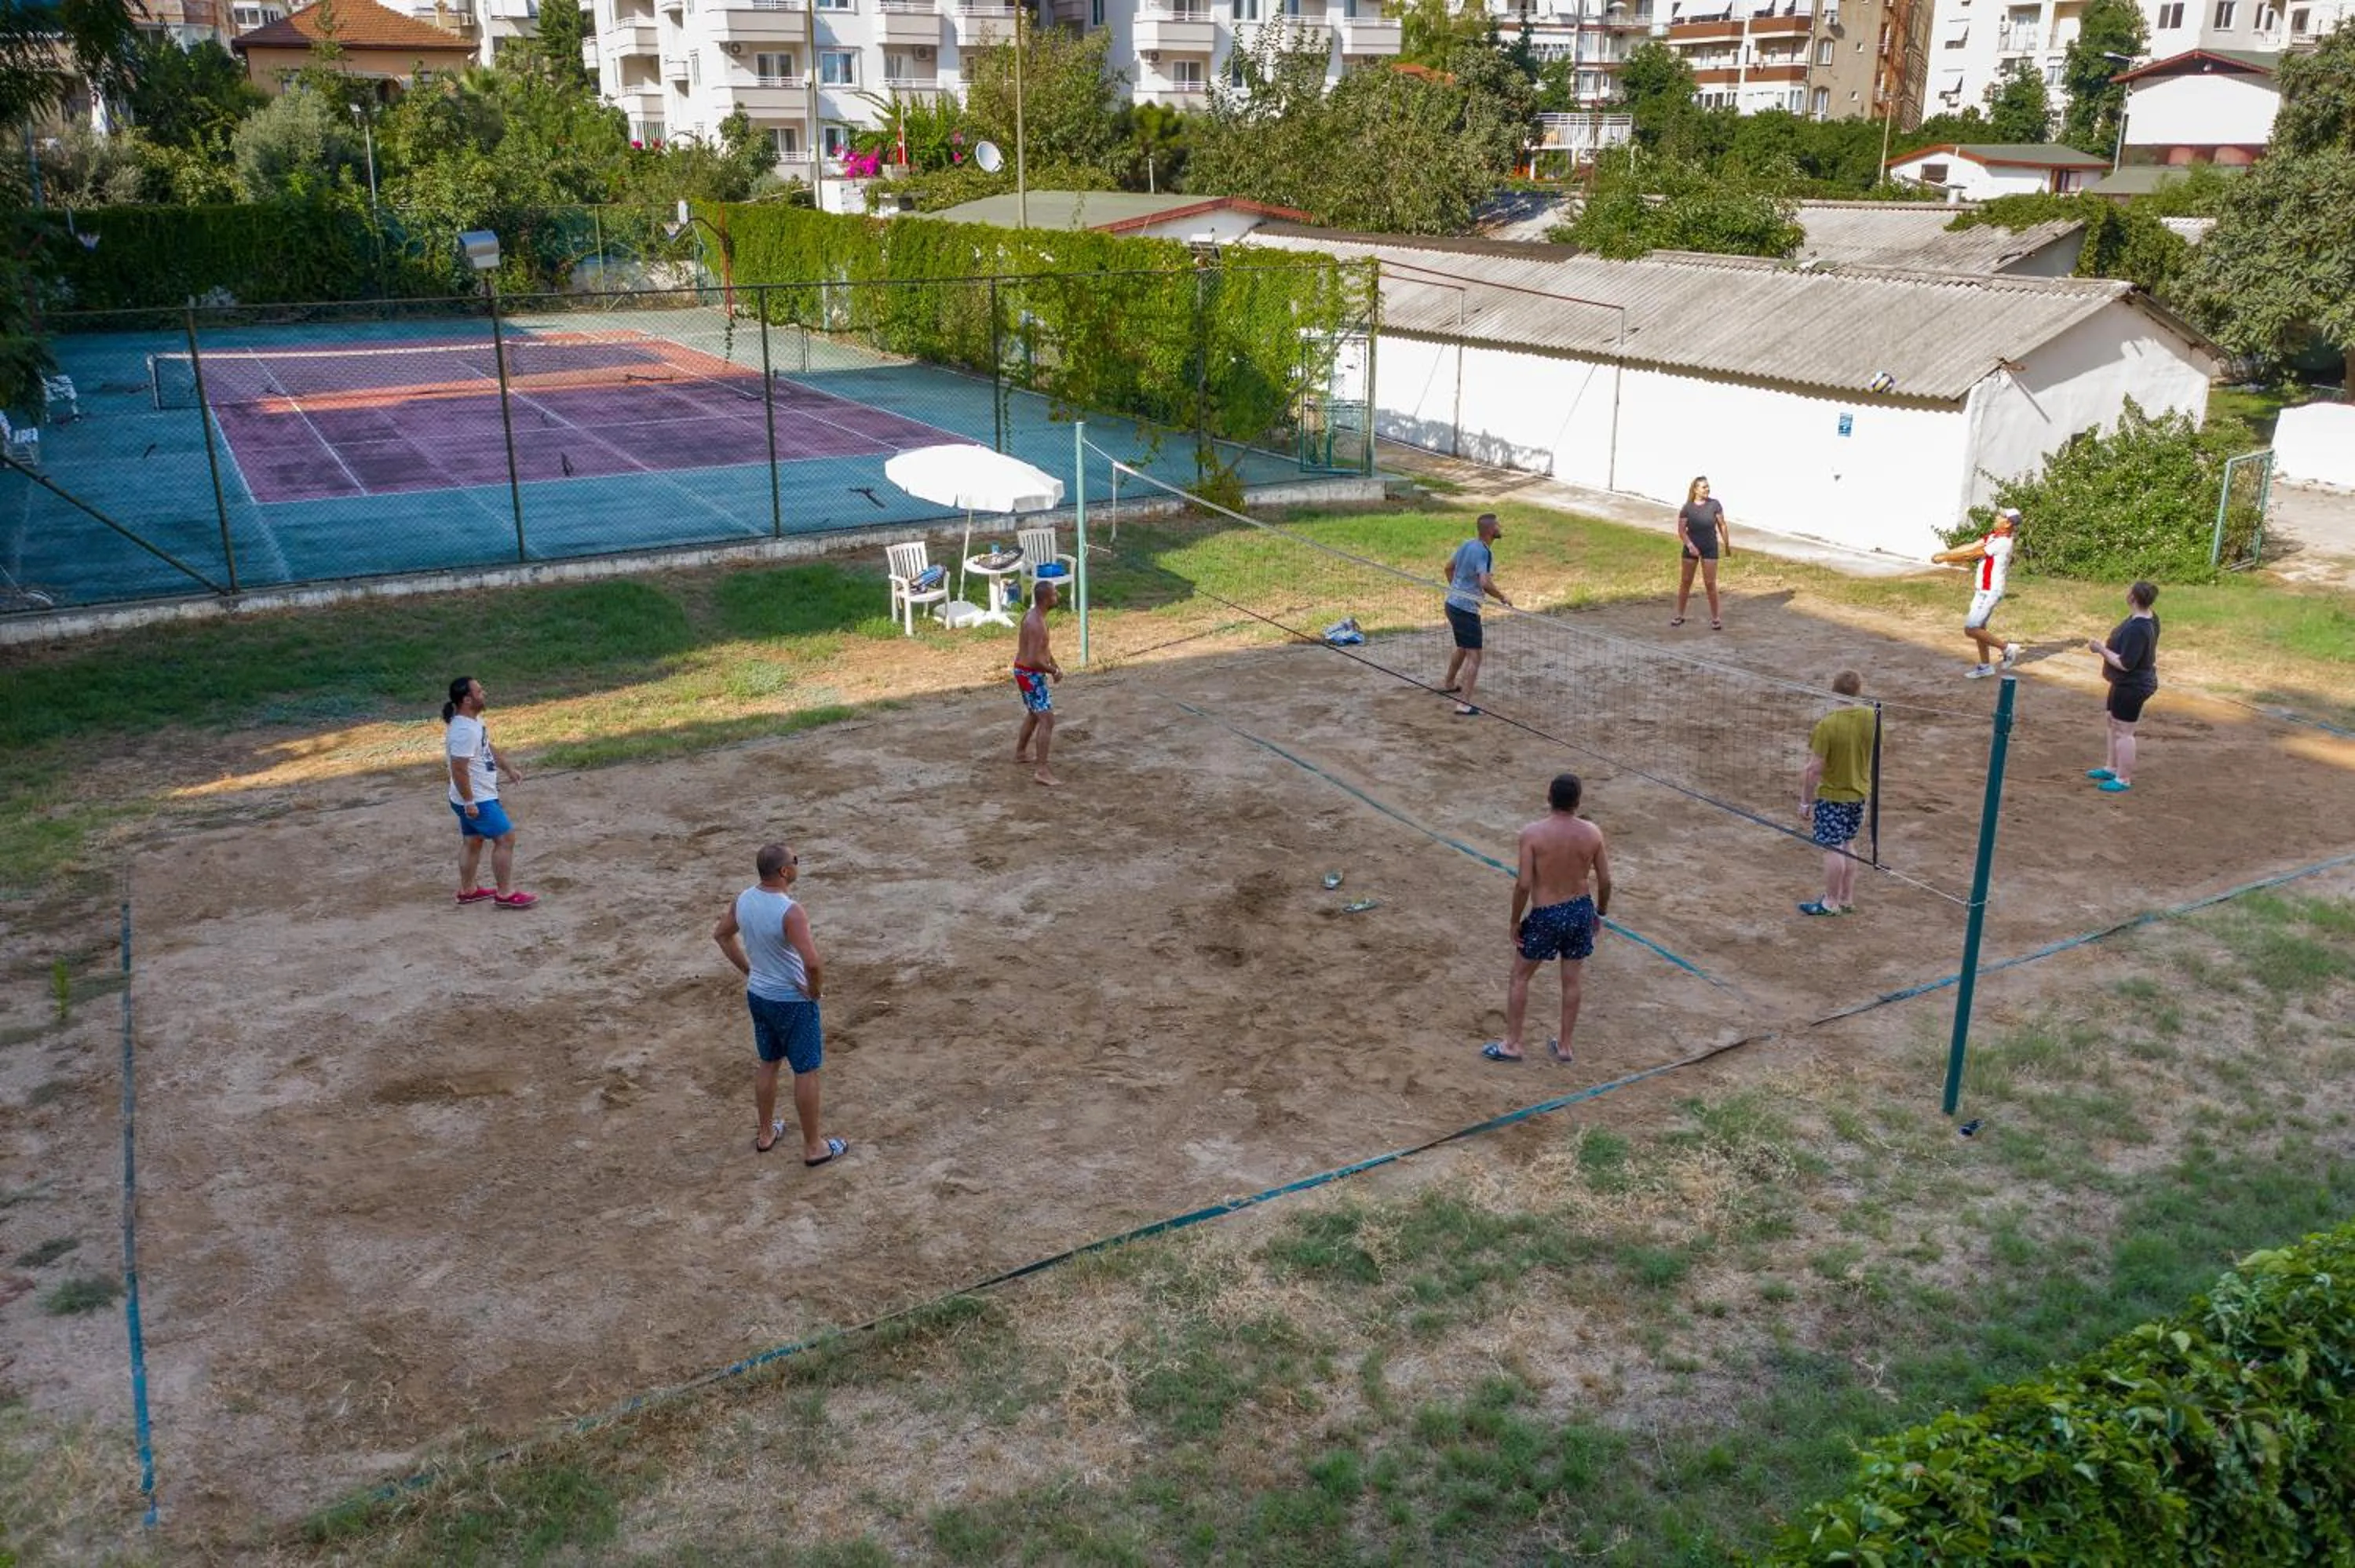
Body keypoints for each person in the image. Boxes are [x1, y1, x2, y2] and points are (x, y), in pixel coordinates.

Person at [713, 841, 846, 1165]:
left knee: (769, 1062)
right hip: (791, 1001)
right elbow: (812, 963)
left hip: (759, 995)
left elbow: (722, 935)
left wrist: (749, 971)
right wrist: (814, 991)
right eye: (795, 860)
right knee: (806, 1070)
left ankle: (765, 1133)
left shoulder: (744, 899)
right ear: (785, 871)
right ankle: (814, 1147)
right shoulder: (790, 911)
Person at [1484, 773, 1612, 1066]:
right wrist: (1600, 913)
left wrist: (1515, 920)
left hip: (1547, 913)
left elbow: (1524, 885)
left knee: (1520, 976)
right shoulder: (1592, 834)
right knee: (1572, 980)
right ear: (1578, 801)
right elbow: (1605, 881)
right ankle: (1565, 1046)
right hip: (1580, 909)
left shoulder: (1532, 834)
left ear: (1549, 797)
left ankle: (1513, 1044)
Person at [442, 675, 536, 910]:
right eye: (479, 692)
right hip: (477, 798)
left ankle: (468, 891)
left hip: (472, 796)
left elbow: (486, 745)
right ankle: (505, 894)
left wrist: (507, 768)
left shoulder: (473, 721)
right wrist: (470, 801)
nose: (484, 694)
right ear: (467, 700)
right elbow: (459, 769)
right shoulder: (464, 731)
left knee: (473, 841)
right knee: (506, 839)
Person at [1798, 671, 1875, 917]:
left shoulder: (1828, 725)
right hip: (1859, 793)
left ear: (1834, 692)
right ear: (1859, 691)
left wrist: (1805, 802)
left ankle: (1830, 902)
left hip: (1833, 797)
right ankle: (1846, 899)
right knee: (1848, 843)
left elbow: (1813, 770)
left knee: (1833, 847)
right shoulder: (1871, 717)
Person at [1930, 508, 2024, 679]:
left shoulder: (2003, 542)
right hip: (1983, 590)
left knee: (1971, 629)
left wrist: (1945, 558)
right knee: (1980, 629)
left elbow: (1971, 554)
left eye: (2000, 516)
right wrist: (1947, 553)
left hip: (1991, 591)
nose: (1996, 517)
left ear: (2007, 523)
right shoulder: (1994, 536)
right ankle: (1985, 666)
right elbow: (1972, 546)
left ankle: (2007, 648)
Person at [2086, 581, 2160, 794]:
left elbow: (2125, 664)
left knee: (2124, 731)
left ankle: (2123, 778)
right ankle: (2111, 768)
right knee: (2112, 721)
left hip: (2132, 685)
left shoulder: (2138, 629)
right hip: (2123, 683)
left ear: (2133, 598)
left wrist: (2101, 649)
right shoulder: (2149, 618)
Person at [1440, 512, 1513, 717]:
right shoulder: (1484, 553)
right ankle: (1464, 704)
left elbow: (1448, 568)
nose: (1500, 527)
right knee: (1475, 656)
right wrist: (1502, 597)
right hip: (1465, 610)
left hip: (1451, 604)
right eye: (1498, 525)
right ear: (1490, 530)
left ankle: (1449, 683)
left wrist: (1457, 590)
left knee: (1463, 647)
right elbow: (1485, 583)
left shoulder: (1467, 544)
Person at [1013, 579, 1064, 788]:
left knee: (1034, 714)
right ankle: (1042, 771)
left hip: (1026, 672)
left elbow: (1043, 649)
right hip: (1030, 674)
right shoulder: (1036, 624)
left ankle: (1020, 753)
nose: (1058, 596)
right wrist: (1053, 671)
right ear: (1046, 599)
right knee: (1047, 719)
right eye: (1055, 594)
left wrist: (1054, 663)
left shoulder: (1035, 616)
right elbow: (1034, 659)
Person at [1671, 476, 1735, 631]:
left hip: (1709, 547)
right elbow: (1681, 530)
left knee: (1710, 583)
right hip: (1692, 547)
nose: (1707, 489)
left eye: (1708, 486)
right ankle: (1679, 615)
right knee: (1686, 581)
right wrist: (1690, 546)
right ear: (1696, 489)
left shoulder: (1715, 505)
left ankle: (1715, 618)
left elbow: (1722, 525)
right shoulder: (1687, 508)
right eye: (1704, 487)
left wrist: (1727, 545)